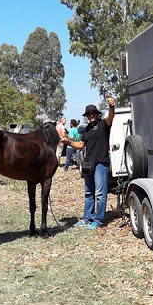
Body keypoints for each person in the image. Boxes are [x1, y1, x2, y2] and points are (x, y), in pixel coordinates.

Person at [63, 95, 116, 230]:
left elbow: (110, 117)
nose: (91, 115)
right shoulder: (86, 129)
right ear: (86, 116)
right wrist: (68, 142)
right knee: (88, 193)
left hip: (101, 163)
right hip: (88, 164)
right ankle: (87, 218)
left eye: (93, 113)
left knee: (100, 193)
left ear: (97, 114)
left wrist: (111, 106)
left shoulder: (103, 124)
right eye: (89, 114)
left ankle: (98, 221)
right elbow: (81, 145)